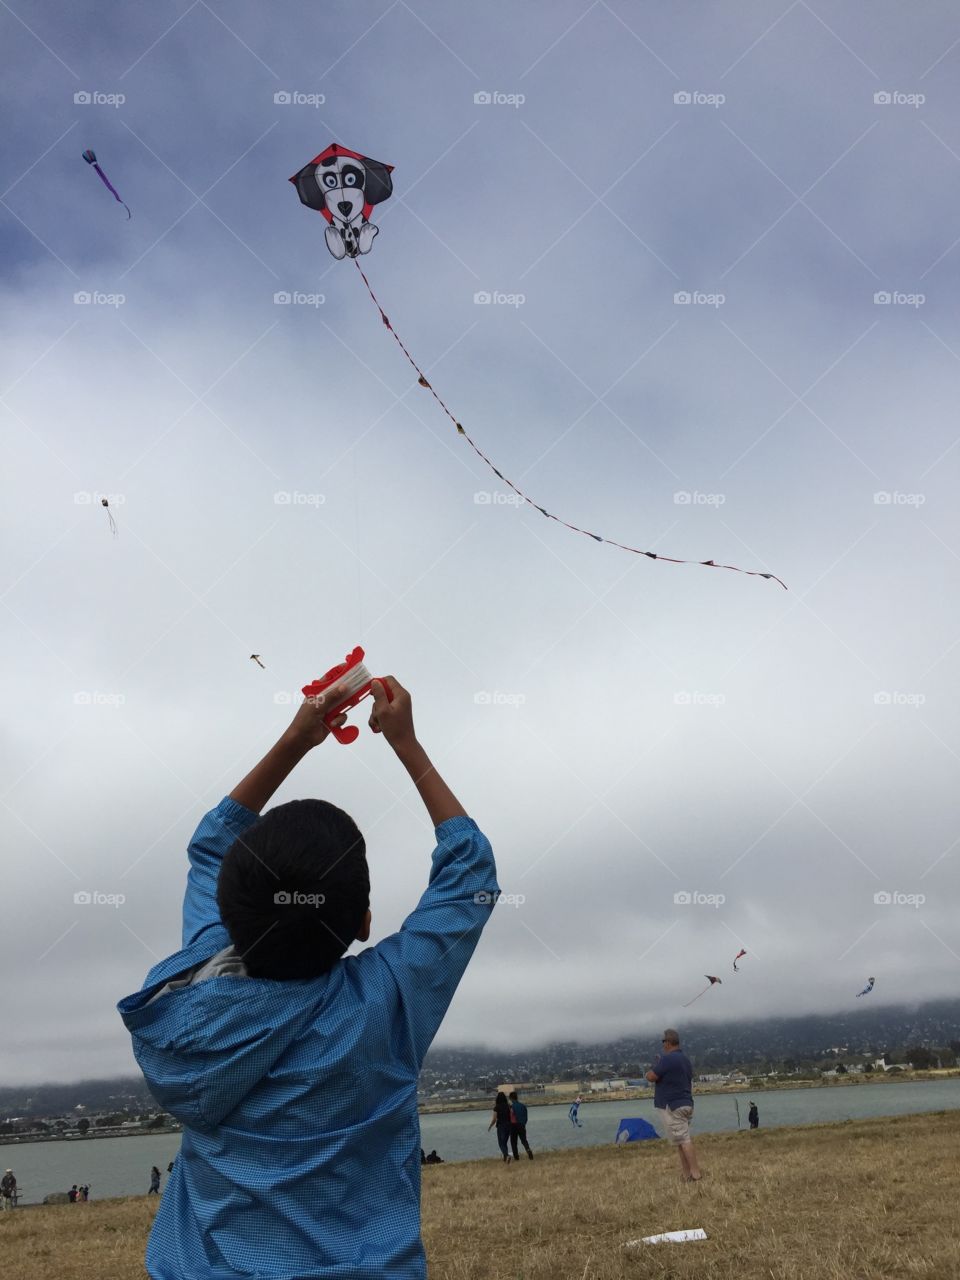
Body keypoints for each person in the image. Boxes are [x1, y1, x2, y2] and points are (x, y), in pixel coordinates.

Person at [117, 677, 498, 1280]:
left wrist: (297, 738)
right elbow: (470, 877)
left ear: (229, 911)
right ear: (365, 922)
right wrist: (406, 744)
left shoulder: (196, 986)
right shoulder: (386, 1001)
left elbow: (213, 844)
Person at [645, 1029, 701, 1182]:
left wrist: (655, 1066)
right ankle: (687, 1174)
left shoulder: (667, 1059)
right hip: (686, 1103)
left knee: (684, 1140)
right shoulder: (685, 1060)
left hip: (673, 1106)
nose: (663, 1045)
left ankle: (696, 1174)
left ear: (668, 1042)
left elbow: (651, 1076)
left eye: (663, 1042)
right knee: (680, 1140)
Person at [508, 1091, 533, 1160]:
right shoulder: (523, 1106)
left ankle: (516, 1157)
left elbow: (510, 1117)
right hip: (522, 1125)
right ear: (517, 1097)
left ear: (511, 1098)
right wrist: (523, 1123)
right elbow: (526, 1117)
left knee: (513, 1142)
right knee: (524, 1140)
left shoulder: (511, 1107)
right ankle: (528, 1150)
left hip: (513, 1125)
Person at [488, 1091, 513, 1162]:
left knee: (501, 1143)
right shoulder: (509, 1106)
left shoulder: (496, 1107)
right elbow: (512, 1115)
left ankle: (507, 1155)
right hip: (509, 1125)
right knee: (504, 1143)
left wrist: (490, 1126)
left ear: (497, 1098)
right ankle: (505, 1158)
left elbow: (494, 1119)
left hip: (501, 1126)